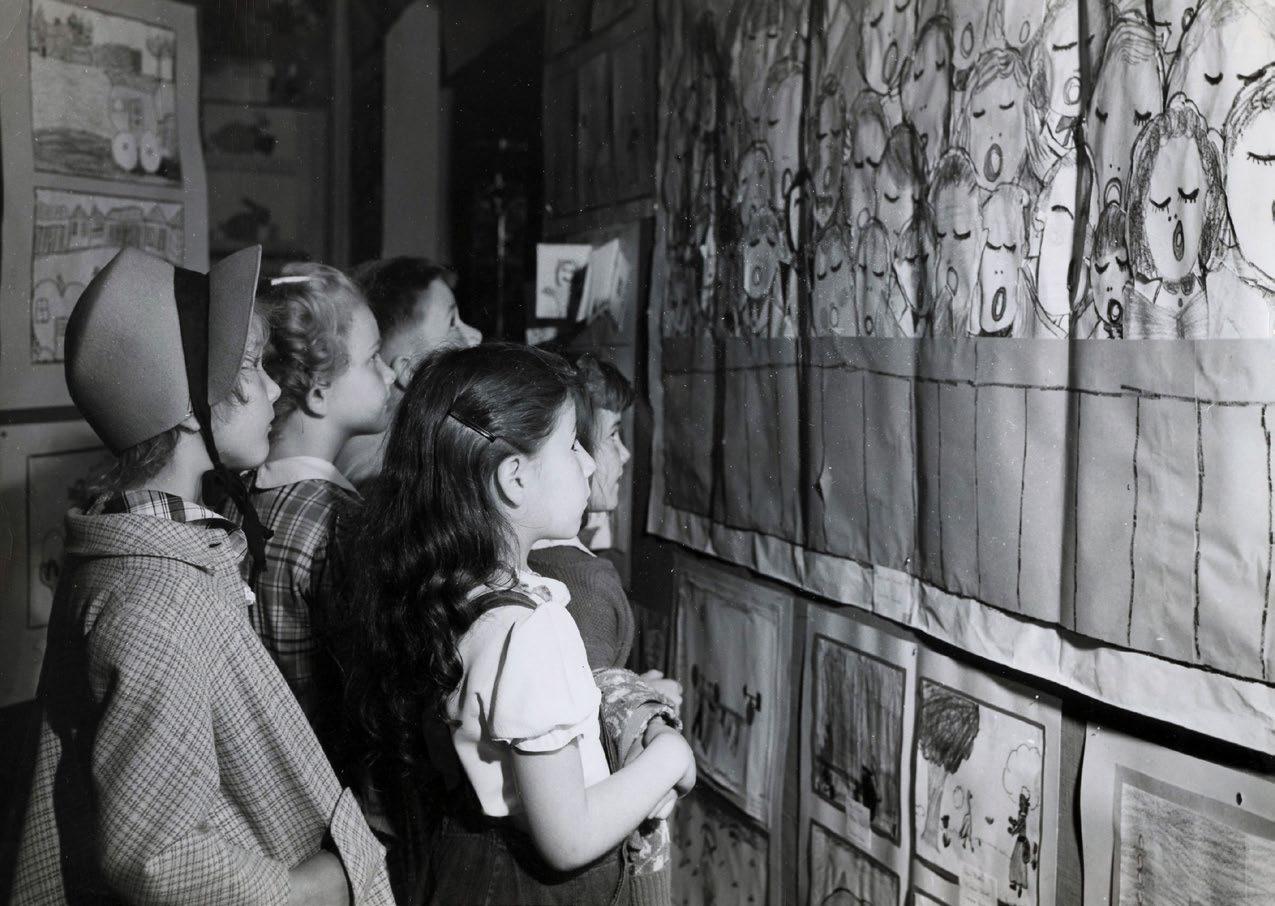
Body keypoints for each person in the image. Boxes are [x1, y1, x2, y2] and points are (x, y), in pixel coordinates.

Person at [14, 246, 394, 904]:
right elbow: (156, 854)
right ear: (188, 408)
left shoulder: (151, 543)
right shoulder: (154, 603)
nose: (273, 389)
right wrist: (306, 889)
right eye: (251, 368)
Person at [344, 343, 695, 905]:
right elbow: (568, 837)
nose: (588, 463)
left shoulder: (461, 592)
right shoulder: (530, 630)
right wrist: (670, 756)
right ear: (514, 478)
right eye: (572, 444)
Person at [248, 263, 395, 739]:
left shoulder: (244, 497)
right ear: (318, 391)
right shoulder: (341, 524)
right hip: (325, 762)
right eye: (373, 358)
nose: (390, 372)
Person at [335, 257, 481, 488]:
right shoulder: (380, 473)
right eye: (452, 323)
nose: (476, 336)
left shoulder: (403, 448)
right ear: (410, 370)